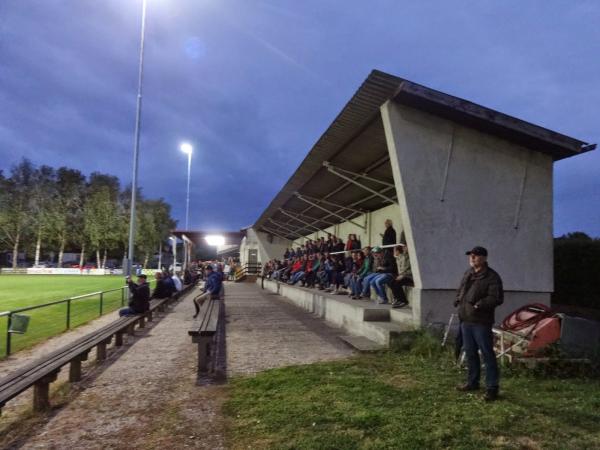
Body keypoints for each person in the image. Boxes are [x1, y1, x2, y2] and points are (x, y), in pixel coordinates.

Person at [454, 246, 503, 402]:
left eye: (475, 255)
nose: (472, 258)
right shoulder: (468, 273)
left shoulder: (492, 277)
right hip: (465, 320)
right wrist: (457, 300)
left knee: (487, 354)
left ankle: (492, 388)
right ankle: (472, 382)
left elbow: (496, 298)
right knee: (470, 352)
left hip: (481, 322)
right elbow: (461, 289)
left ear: (484, 258)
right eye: (471, 255)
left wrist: (480, 304)